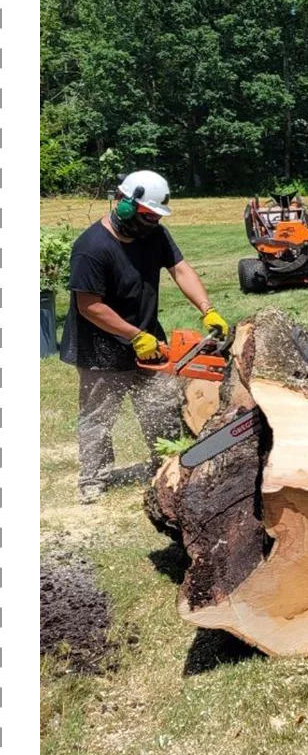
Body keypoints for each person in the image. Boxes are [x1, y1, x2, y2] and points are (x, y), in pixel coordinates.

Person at [58, 170, 231, 504]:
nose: (151, 223)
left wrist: (207, 308)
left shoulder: (154, 235)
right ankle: (93, 479)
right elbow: (89, 305)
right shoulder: (91, 247)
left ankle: (166, 462)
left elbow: (180, 268)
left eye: (155, 217)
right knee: (98, 416)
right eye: (147, 216)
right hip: (100, 348)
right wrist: (134, 335)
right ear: (125, 206)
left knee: (163, 404)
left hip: (149, 340)